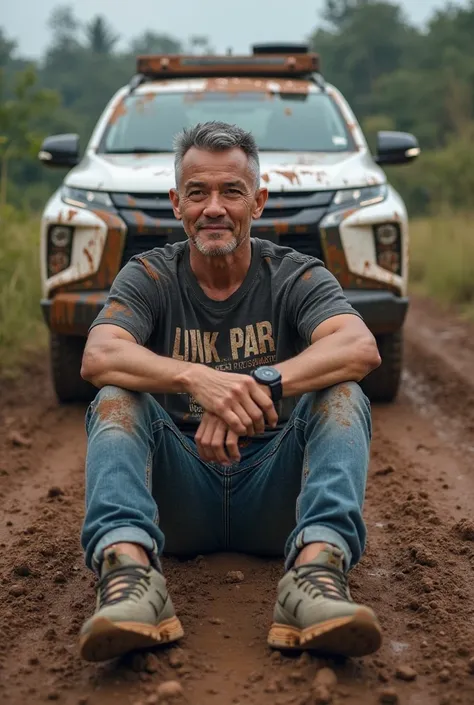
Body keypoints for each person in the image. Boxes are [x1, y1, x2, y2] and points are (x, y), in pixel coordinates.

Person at [78, 121, 383, 663]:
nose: (213, 207)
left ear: (258, 202)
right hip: (181, 494)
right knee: (116, 398)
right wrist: (197, 379)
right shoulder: (148, 275)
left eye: (231, 192)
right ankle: (129, 578)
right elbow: (100, 354)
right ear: (177, 204)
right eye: (198, 193)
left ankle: (315, 575)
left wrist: (259, 383)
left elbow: (359, 346)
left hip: (275, 493)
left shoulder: (294, 275)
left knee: (343, 395)